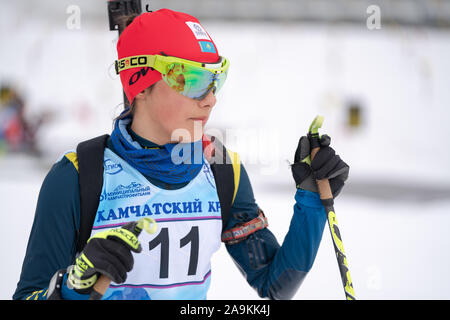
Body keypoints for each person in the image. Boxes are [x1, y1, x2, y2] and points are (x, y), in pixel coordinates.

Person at [13, 9, 349, 300]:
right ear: (141, 84)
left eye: (216, 79)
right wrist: (72, 288)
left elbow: (275, 284)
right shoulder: (77, 177)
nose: (210, 99)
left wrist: (311, 198)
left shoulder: (221, 170)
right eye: (194, 79)